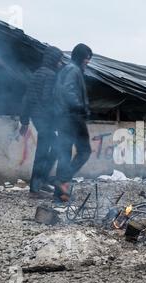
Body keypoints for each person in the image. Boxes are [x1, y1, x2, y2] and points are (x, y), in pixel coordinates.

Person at [20, 46, 64, 199]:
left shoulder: (36, 74)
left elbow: (26, 99)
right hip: (45, 118)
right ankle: (35, 188)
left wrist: (24, 121)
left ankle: (40, 181)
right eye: (59, 60)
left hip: (36, 117)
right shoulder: (51, 75)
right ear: (54, 60)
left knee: (49, 149)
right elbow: (47, 100)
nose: (60, 63)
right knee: (46, 152)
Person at [53, 43, 93, 202]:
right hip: (72, 117)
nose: (88, 62)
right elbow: (68, 91)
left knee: (65, 154)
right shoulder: (73, 70)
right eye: (87, 58)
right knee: (85, 151)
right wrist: (80, 106)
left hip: (63, 118)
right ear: (81, 57)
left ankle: (60, 194)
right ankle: (63, 180)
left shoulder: (67, 69)